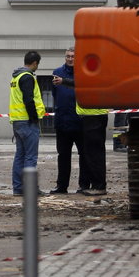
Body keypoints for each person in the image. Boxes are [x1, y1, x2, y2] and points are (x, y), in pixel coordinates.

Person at [48, 48, 91, 195]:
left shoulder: (83, 73)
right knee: (63, 156)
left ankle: (84, 185)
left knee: (84, 155)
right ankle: (62, 186)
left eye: (73, 56)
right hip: (63, 122)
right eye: (68, 56)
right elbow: (55, 94)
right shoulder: (57, 72)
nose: (70, 59)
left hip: (81, 122)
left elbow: (85, 87)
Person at [9, 50, 46, 194]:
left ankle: (18, 188)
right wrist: (34, 118)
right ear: (35, 63)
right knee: (30, 157)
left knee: (20, 156)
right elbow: (29, 100)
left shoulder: (16, 77)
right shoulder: (27, 77)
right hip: (27, 122)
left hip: (18, 121)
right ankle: (30, 189)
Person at [76, 95, 109, 196]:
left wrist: (64, 82)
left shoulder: (91, 79)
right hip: (93, 115)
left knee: (94, 153)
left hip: (93, 116)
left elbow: (80, 83)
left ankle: (98, 186)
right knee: (93, 153)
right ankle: (97, 185)